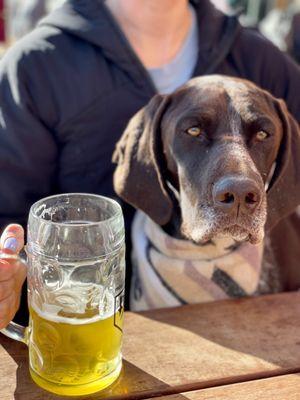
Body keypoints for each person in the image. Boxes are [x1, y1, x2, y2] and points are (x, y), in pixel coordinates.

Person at [1, 0, 300, 329]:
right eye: (195, 130)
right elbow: (8, 218)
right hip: (102, 333)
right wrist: (11, 278)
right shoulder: (36, 68)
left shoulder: (261, 60)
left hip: (275, 330)